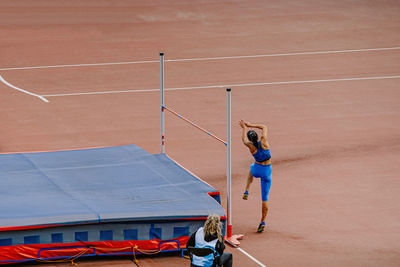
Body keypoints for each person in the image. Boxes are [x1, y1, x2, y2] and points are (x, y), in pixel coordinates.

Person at [239, 120, 272, 232]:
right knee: (265, 197)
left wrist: (243, 128)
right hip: (267, 171)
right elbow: (264, 126)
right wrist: (250, 125)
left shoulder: (251, 147)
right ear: (257, 136)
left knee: (251, 170)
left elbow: (244, 140)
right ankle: (262, 221)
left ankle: (247, 190)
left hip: (257, 169)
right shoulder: (264, 141)